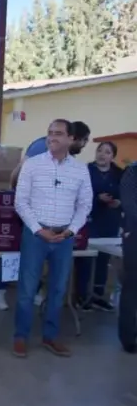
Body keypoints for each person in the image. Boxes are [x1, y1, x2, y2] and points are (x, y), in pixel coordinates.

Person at [0, 122, 91, 310]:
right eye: (83, 141)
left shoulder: (75, 166)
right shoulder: (40, 147)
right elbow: (19, 170)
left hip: (54, 220)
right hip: (27, 209)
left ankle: (35, 292)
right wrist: (13, 191)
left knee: (41, 264)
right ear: (73, 138)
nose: (83, 146)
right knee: (16, 251)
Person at [13, 119, 92, 358]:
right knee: (27, 289)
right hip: (36, 235)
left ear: (71, 139)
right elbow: (20, 201)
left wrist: (70, 231)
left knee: (58, 289)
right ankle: (20, 337)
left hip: (64, 236)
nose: (52, 137)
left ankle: (50, 337)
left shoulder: (80, 170)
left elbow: (84, 204)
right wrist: (38, 229)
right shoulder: (33, 165)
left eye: (58, 133)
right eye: (49, 133)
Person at [73, 141, 122, 311]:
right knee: (86, 259)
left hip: (110, 221)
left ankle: (98, 296)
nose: (102, 154)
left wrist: (118, 203)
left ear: (112, 156)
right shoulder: (86, 171)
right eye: (99, 150)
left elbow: (126, 195)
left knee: (103, 259)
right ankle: (81, 295)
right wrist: (96, 199)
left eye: (107, 152)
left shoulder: (119, 174)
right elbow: (78, 195)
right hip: (89, 220)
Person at [118, 161, 137, 354]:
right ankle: (128, 337)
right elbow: (131, 206)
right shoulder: (133, 171)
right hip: (135, 237)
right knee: (132, 287)